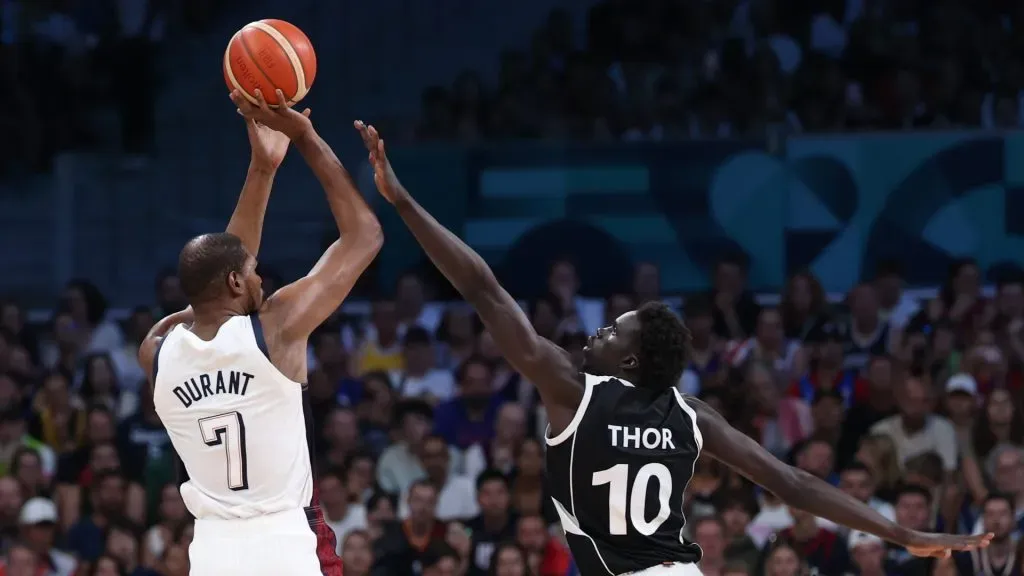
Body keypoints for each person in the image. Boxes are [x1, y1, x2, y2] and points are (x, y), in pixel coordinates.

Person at [355, 122, 994, 576]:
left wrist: (403, 201)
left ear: (631, 361)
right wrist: (899, 531)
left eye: (614, 332)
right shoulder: (692, 416)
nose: (598, 333)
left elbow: (482, 288)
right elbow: (795, 484)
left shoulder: (573, 391)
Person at [137, 91, 383, 576]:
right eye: (253, 273)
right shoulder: (276, 331)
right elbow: (364, 235)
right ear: (235, 283)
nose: (261, 278)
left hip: (212, 552)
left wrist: (262, 169)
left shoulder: (156, 351)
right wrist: (304, 135)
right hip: (287, 542)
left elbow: (212, 285)